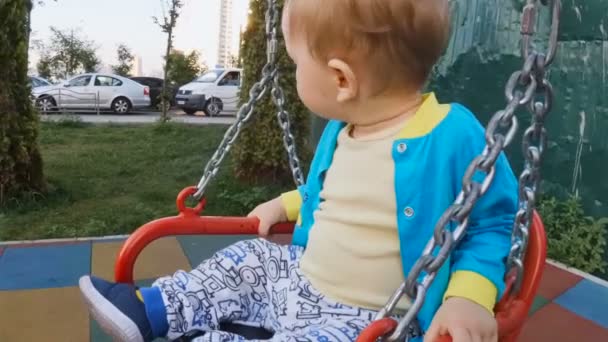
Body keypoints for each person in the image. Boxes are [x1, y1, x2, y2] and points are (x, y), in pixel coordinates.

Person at [78, 1, 517, 341]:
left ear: (341, 80)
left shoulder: (453, 134)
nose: (292, 72)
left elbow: (491, 223)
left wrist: (468, 299)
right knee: (248, 259)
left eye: (295, 62)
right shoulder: (342, 132)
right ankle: (150, 310)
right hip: (301, 275)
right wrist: (285, 202)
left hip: (370, 319)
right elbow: (328, 193)